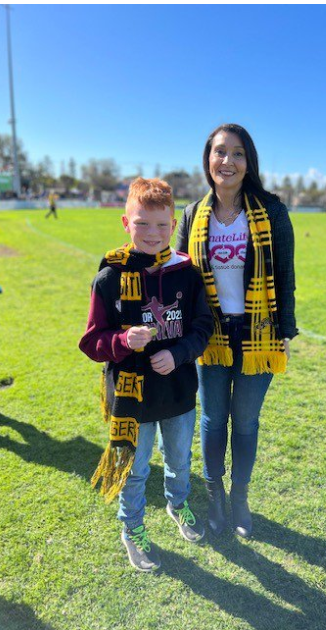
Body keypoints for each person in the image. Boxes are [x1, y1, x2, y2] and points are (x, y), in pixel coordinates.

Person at [80, 177, 213, 572]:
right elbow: (91, 341)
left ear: (173, 226)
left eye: (160, 225)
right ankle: (132, 528)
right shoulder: (110, 277)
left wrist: (178, 353)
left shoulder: (187, 274)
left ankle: (177, 504)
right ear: (126, 222)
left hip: (177, 392)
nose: (152, 233)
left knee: (178, 459)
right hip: (131, 400)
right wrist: (122, 341)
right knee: (135, 472)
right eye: (142, 223)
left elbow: (203, 327)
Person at [173, 123, 297, 539]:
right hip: (208, 336)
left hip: (257, 333)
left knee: (244, 423)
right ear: (208, 159)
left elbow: (285, 275)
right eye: (220, 152)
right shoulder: (192, 215)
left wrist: (284, 330)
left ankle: (240, 498)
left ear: (249, 163)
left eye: (238, 153)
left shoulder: (272, 211)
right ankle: (215, 498)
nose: (228, 161)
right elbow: (176, 278)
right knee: (212, 421)